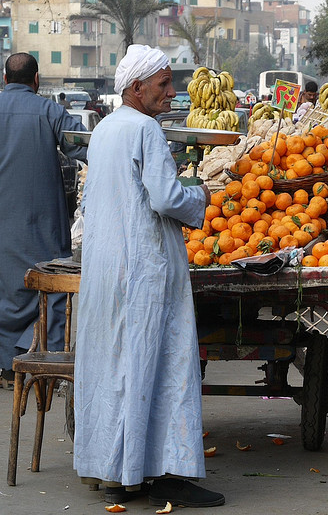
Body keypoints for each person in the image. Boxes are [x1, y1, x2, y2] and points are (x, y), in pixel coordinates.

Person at [74, 44, 224, 508]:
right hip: (145, 269)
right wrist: (200, 196)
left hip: (108, 268)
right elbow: (166, 198)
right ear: (137, 88)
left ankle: (118, 473)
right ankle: (167, 471)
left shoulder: (104, 129)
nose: (172, 92)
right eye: (164, 83)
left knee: (118, 368)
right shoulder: (145, 130)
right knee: (164, 364)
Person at [0, 53, 86, 390]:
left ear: (5, 78)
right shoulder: (50, 111)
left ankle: (6, 362)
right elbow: (85, 147)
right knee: (52, 285)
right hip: (41, 226)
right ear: (36, 80)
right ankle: (40, 363)